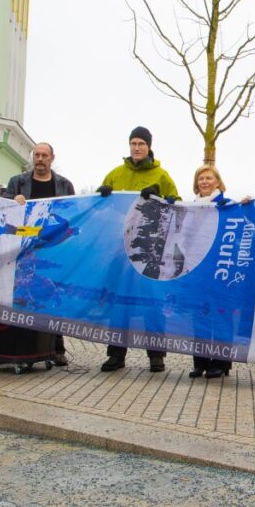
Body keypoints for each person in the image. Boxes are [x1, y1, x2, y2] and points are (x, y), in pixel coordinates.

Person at [97, 126, 180, 373]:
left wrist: (159, 197)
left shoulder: (161, 175)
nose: (136, 147)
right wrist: (101, 196)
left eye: (141, 143)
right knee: (119, 302)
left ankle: (156, 355)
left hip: (149, 251)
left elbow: (175, 206)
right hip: (119, 250)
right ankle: (116, 354)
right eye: (133, 143)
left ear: (149, 146)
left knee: (151, 303)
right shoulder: (115, 174)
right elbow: (100, 210)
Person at [3, 142, 77, 367]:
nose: (40, 159)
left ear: (52, 158)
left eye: (44, 155)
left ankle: (57, 347)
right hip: (23, 249)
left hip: (52, 249)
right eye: (37, 155)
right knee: (25, 296)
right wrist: (12, 201)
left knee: (52, 297)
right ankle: (26, 348)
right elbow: (3, 207)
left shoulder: (64, 185)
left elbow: (73, 211)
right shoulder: (18, 182)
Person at [187, 164, 234, 379]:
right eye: (201, 179)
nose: (204, 182)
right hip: (197, 268)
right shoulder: (191, 207)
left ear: (218, 182)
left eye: (209, 178)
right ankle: (201, 361)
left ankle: (221, 362)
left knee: (221, 315)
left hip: (221, 268)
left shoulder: (228, 205)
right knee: (199, 314)